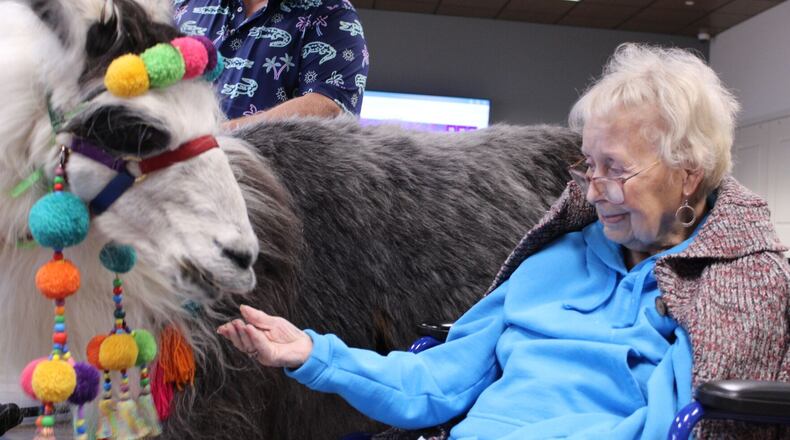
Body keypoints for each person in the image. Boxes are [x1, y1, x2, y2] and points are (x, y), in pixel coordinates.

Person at [217, 43, 790, 439]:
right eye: (587, 166)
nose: (594, 190)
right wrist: (313, 354)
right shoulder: (554, 259)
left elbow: (667, 428)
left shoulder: (721, 292)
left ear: (688, 172)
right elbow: (435, 383)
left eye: (615, 169)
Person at [173, 0, 369, 125]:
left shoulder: (331, 12)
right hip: (173, 178)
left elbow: (329, 107)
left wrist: (216, 138)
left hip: (267, 182)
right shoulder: (183, 6)